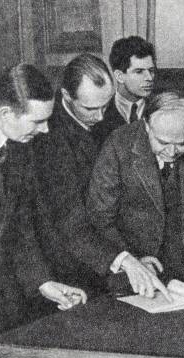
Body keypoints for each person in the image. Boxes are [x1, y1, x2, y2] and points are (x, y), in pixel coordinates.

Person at [0, 64, 86, 358]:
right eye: (38, 121)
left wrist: (42, 282)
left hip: (0, 307)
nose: (45, 129)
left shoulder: (19, 143)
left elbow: (17, 227)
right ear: (7, 114)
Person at [33, 54, 169, 299]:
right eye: (90, 108)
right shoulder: (48, 138)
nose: (99, 117)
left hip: (100, 254)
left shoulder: (106, 120)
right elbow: (69, 220)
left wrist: (131, 254)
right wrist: (125, 260)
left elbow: (109, 204)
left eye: (105, 106)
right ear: (66, 96)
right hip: (66, 266)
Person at [87, 92, 184, 292]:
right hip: (137, 268)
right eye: (163, 143)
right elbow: (100, 216)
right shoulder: (118, 144)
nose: (172, 152)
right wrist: (132, 261)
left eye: (182, 143)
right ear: (147, 126)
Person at [93, 36, 156, 144]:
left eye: (151, 70)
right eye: (139, 71)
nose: (149, 78)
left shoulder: (161, 109)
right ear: (119, 76)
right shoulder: (98, 115)